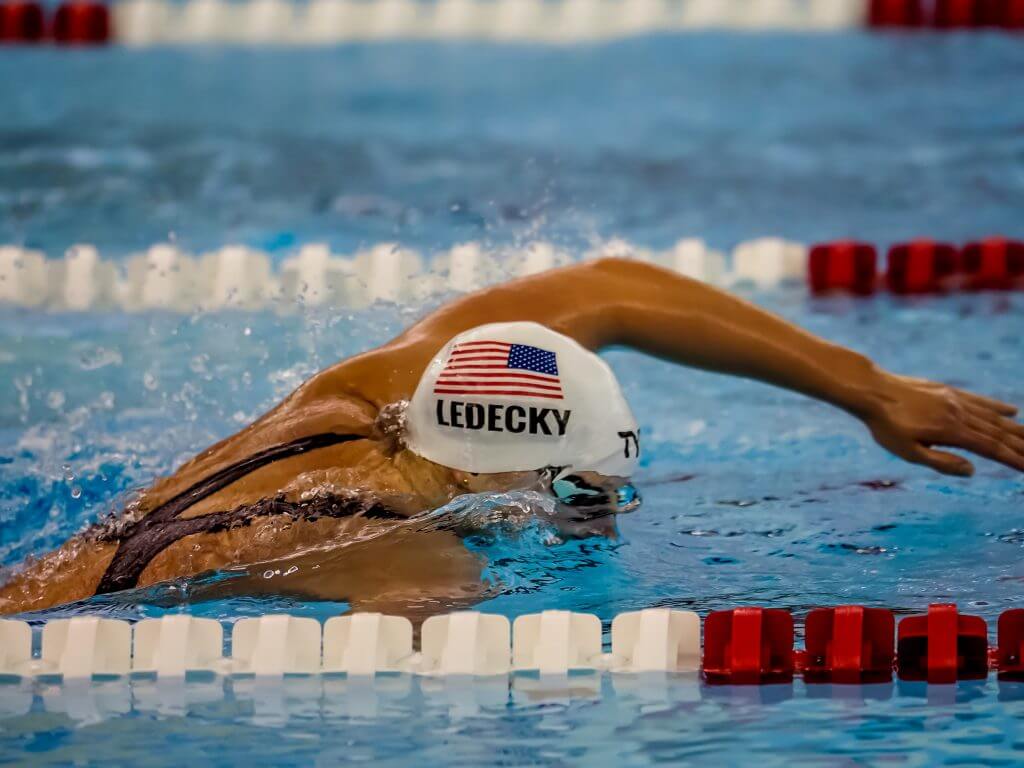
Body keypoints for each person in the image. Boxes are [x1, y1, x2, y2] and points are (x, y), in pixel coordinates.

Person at [1, 257, 1021, 617]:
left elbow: (615, 290)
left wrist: (868, 388)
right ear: (509, 464)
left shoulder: (386, 387)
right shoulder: (407, 553)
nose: (595, 505)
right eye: (576, 485)